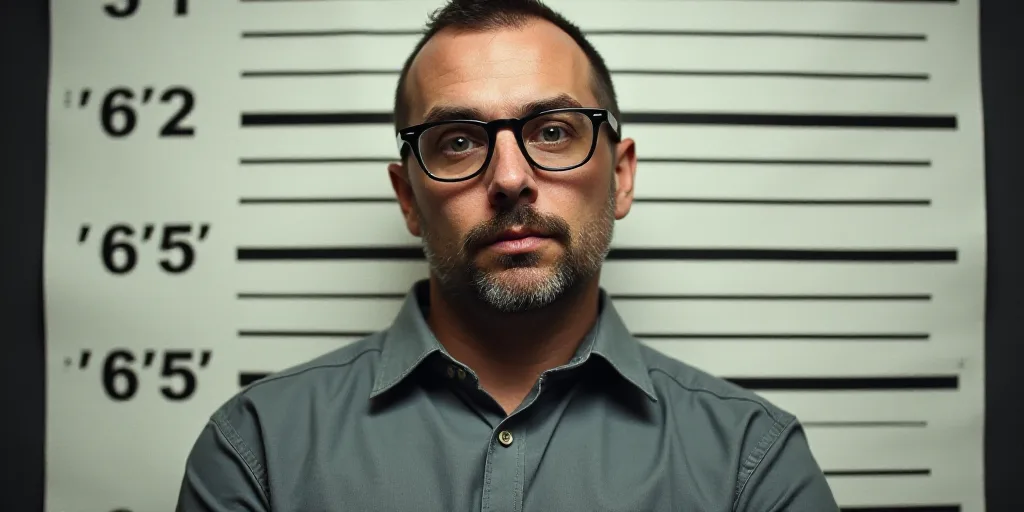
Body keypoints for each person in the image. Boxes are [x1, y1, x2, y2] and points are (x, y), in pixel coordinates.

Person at [176, 0, 839, 510]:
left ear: (623, 175)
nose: (511, 178)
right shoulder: (257, 448)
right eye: (458, 140)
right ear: (408, 197)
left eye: (552, 132)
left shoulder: (752, 463)